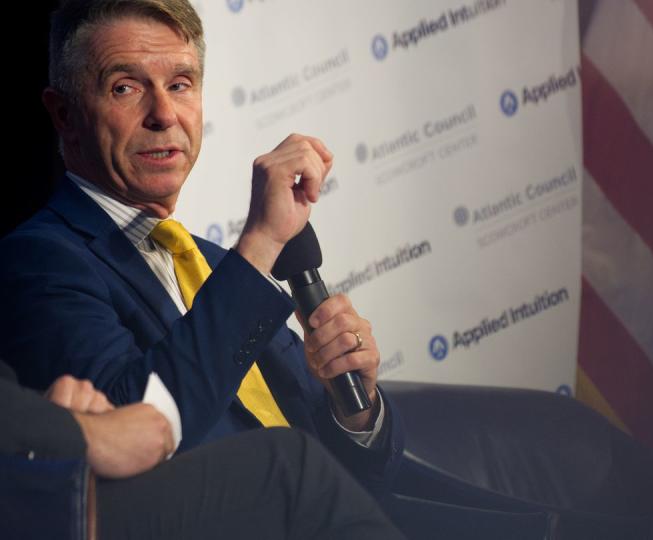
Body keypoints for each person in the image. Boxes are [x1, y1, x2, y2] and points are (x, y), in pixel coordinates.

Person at [0, 0, 402, 495]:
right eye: (125, 87)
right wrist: (261, 242)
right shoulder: (39, 261)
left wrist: (353, 408)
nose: (164, 114)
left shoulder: (210, 264)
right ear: (64, 114)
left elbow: (352, 461)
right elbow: (135, 427)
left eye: (181, 84)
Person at [0, 360, 404, 540]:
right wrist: (76, 433)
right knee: (287, 469)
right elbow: (133, 412)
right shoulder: (44, 254)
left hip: (356, 497)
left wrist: (356, 412)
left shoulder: (210, 255)